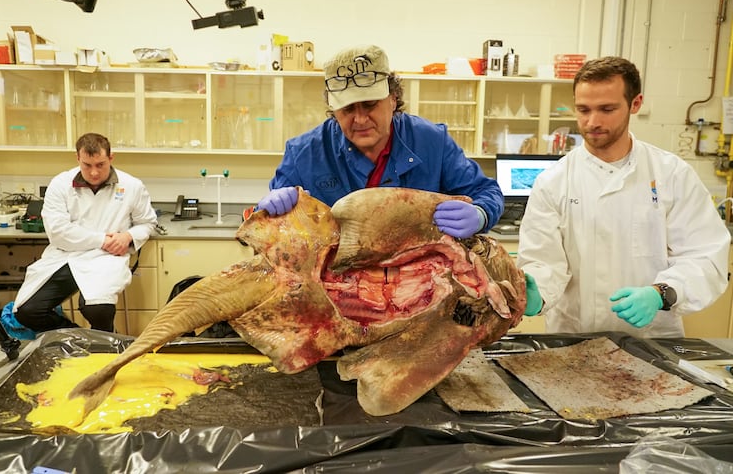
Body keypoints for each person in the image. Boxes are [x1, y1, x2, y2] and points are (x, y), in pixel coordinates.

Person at [517, 56, 730, 337]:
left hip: (653, 340)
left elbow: (705, 256)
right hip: (572, 340)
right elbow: (544, 262)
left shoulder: (672, 174)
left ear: (635, 103)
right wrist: (534, 294)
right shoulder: (553, 182)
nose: (592, 122)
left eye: (607, 109)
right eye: (583, 109)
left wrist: (660, 293)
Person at [256, 44, 504, 240]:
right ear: (333, 109)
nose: (360, 118)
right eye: (348, 109)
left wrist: (481, 214)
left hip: (418, 281)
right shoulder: (304, 154)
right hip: (338, 285)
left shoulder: (432, 143)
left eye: (370, 104)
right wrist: (269, 210)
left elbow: (487, 191)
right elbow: (269, 228)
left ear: (393, 99)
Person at [13, 133, 157, 333]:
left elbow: (147, 222)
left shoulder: (132, 186)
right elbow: (58, 232)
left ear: (111, 158)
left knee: (97, 309)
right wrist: (101, 240)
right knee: (27, 312)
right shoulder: (60, 184)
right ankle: (80, 339)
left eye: (100, 164)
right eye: (87, 165)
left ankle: (105, 346)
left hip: (106, 259)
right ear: (77, 159)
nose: (94, 172)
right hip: (66, 256)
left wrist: (127, 236)